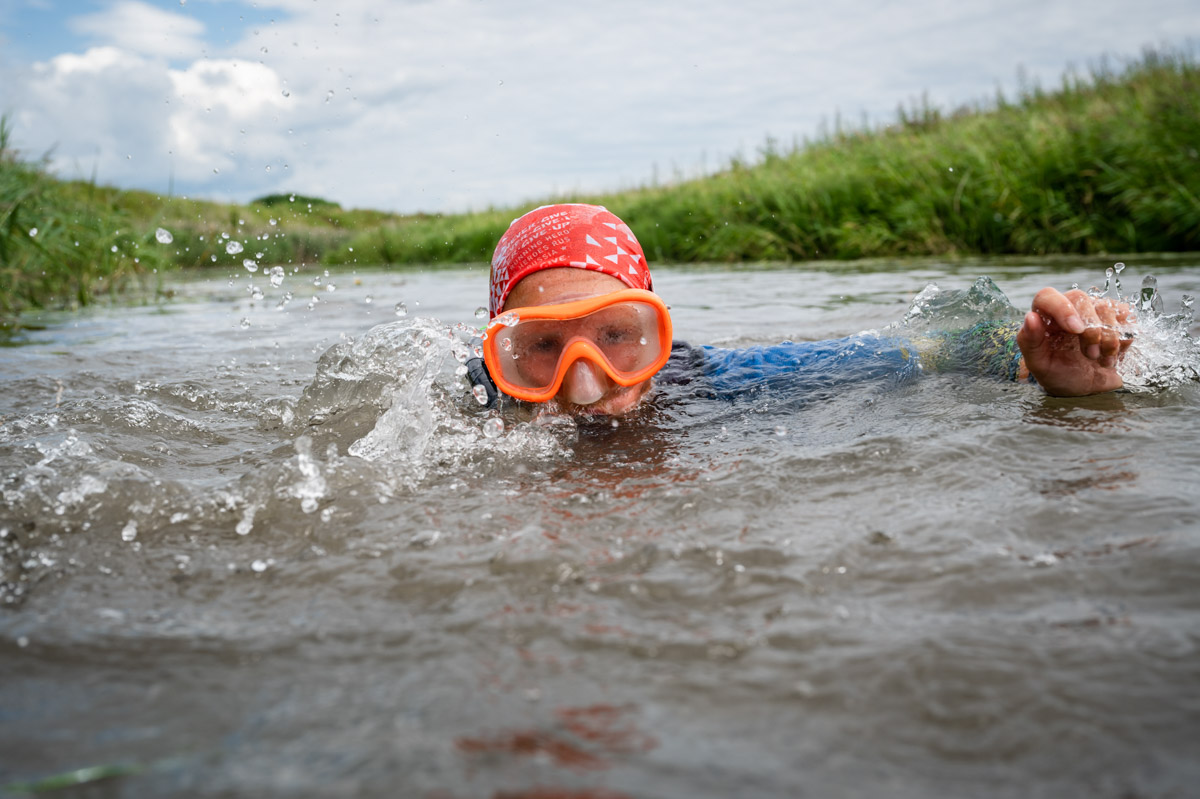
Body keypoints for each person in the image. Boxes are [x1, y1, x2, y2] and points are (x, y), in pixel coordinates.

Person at [469, 203, 1133, 416]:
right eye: (544, 346)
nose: (585, 383)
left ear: (656, 335)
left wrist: (1050, 373)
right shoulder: (468, 412)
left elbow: (927, 352)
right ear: (499, 356)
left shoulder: (713, 384)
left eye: (617, 336)